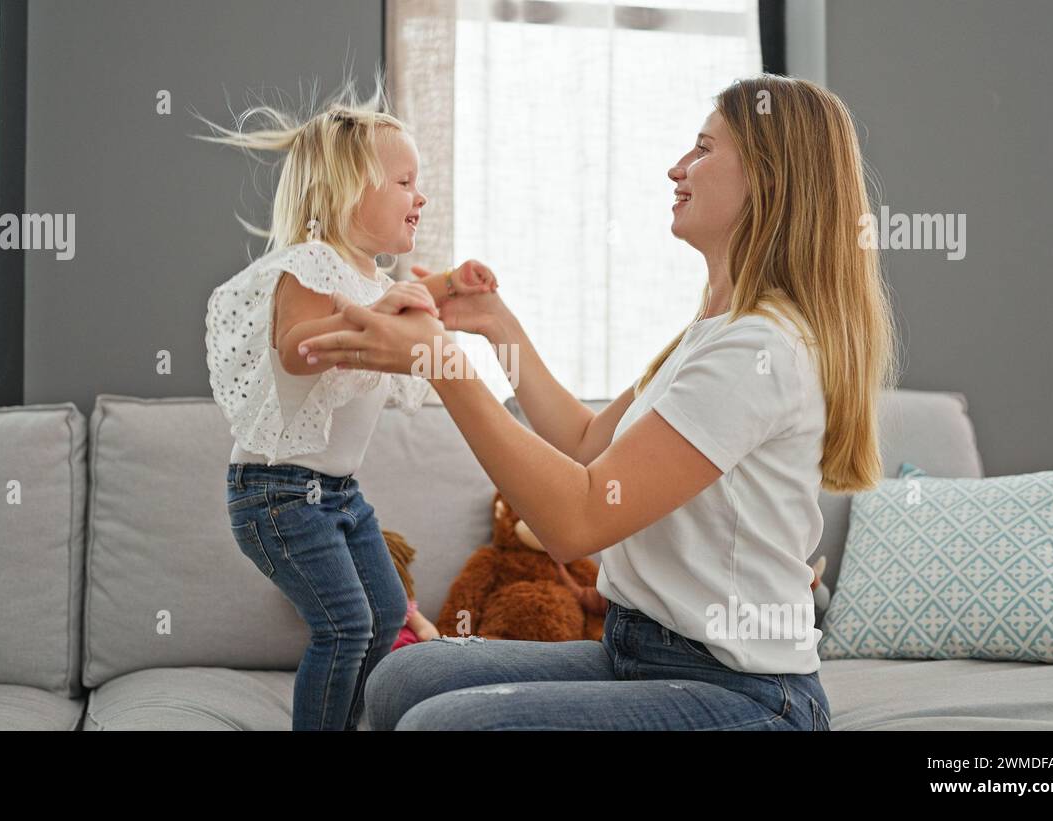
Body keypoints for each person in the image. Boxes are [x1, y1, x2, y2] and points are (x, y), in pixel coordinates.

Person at [295, 74, 899, 731]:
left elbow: (578, 520)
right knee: (399, 680)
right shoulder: (711, 332)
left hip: (744, 694)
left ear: (771, 180)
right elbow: (586, 442)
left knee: (439, 725)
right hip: (635, 654)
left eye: (702, 149)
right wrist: (499, 327)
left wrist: (439, 364)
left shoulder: (762, 351)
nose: (677, 167)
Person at [200, 79, 496, 731]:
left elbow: (417, 296)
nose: (420, 197)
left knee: (387, 614)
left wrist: (451, 284)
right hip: (274, 494)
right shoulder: (309, 266)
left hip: (337, 493)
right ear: (345, 191)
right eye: (404, 182)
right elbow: (297, 348)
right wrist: (372, 316)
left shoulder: (371, 276)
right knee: (345, 624)